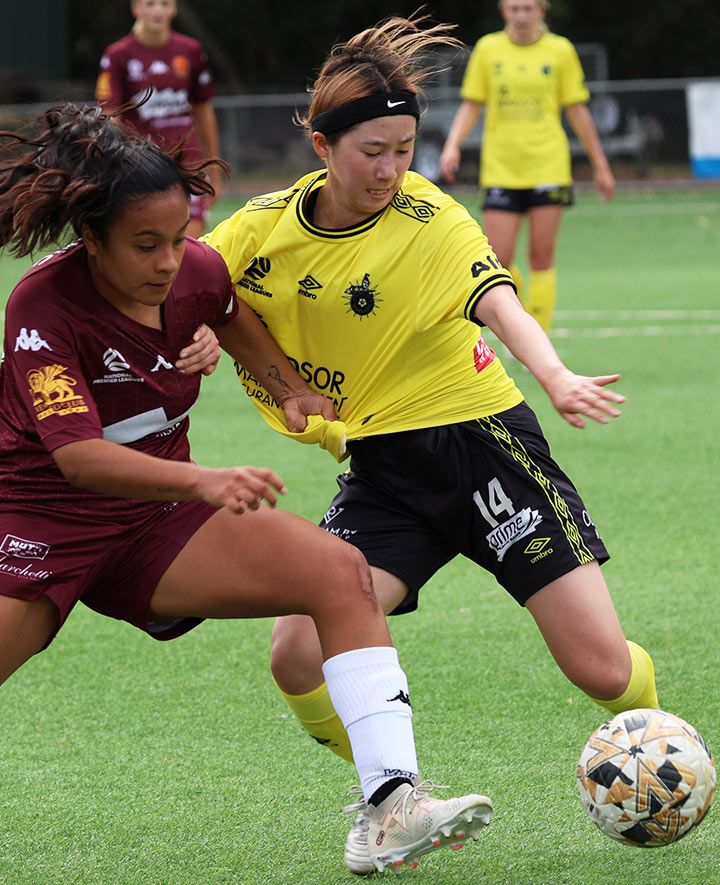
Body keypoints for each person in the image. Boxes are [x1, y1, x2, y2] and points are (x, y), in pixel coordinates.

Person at [201, 12, 659, 876]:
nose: (389, 169)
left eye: (405, 149)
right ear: (322, 142)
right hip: (382, 469)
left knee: (601, 671)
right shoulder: (260, 228)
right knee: (295, 646)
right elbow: (194, 288)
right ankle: (387, 799)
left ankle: (660, 739)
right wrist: (189, 333)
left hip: (481, 445)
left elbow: (498, 300)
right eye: (372, 149)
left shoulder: (430, 215)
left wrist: (555, 375)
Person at [0, 103, 494, 875]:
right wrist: (204, 477)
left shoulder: (195, 270)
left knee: (338, 572)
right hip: (42, 519)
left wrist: (288, 386)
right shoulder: (40, 305)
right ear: (90, 238)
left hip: (158, 523)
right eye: (144, 245)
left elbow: (230, 311)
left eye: (177, 237)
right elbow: (79, 459)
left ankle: (393, 805)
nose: (169, 261)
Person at [439, 0, 615, 336]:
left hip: (547, 165)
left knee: (541, 256)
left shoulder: (560, 50)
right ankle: (519, 324)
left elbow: (577, 110)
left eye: (528, 8)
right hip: (501, 169)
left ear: (541, 11)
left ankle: (539, 337)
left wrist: (600, 164)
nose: (521, 15)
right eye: (514, 9)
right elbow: (472, 104)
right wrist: (452, 145)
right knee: (498, 261)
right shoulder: (489, 49)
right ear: (504, 12)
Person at [95, 0, 221, 237]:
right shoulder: (118, 55)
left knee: (189, 235)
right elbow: (110, 115)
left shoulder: (190, 50)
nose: (158, 10)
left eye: (164, 3)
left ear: (173, 9)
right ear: (136, 9)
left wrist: (214, 167)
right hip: (142, 163)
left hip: (188, 161)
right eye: (150, 3)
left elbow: (204, 109)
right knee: (146, 236)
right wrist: (108, 164)